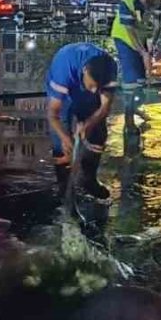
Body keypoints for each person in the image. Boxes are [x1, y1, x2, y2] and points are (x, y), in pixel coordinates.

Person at [45, 42, 119, 201]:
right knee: (62, 145)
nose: (94, 91)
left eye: (98, 87)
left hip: (85, 92)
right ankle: (64, 188)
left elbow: (105, 107)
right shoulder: (63, 69)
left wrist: (89, 123)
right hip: (66, 93)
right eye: (92, 85)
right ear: (85, 71)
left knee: (98, 134)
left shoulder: (109, 68)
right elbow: (53, 114)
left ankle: (89, 180)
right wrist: (66, 138)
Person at [111, 0, 161, 133]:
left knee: (141, 81)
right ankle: (129, 122)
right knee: (132, 81)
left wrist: (153, 42)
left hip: (141, 37)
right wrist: (142, 52)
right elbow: (129, 30)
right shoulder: (127, 2)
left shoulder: (158, 1)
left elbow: (159, 25)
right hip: (124, 39)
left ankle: (134, 109)